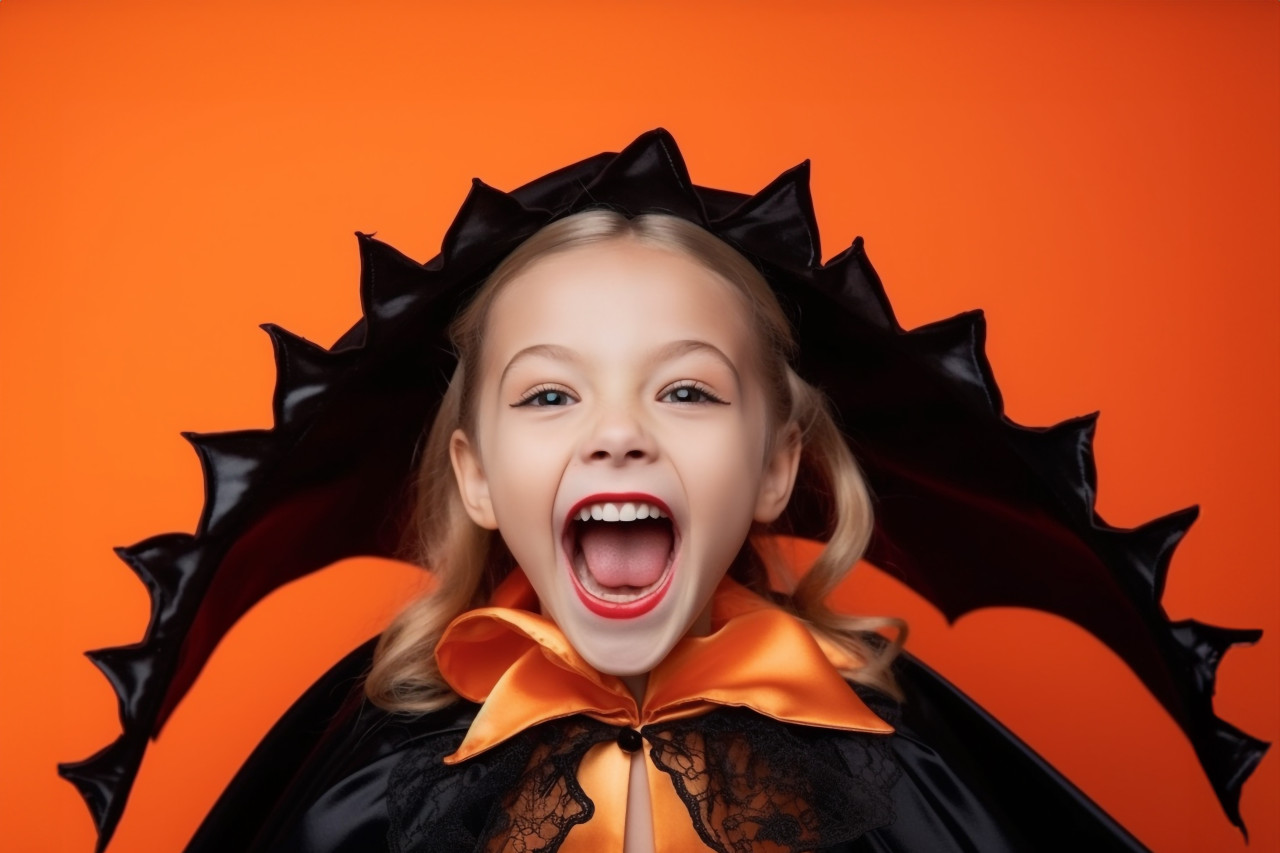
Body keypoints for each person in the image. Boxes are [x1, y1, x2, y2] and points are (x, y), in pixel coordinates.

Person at [60, 130, 1265, 852]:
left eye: (685, 393)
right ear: (476, 477)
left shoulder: (891, 759)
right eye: (549, 397)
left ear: (778, 465)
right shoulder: (373, 763)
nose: (619, 436)